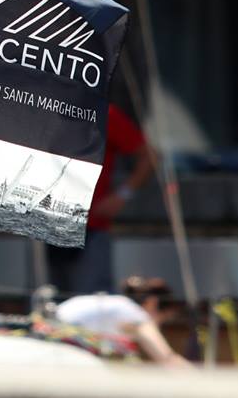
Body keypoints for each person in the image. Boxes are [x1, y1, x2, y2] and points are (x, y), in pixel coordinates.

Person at [47, 103, 152, 294]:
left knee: (92, 301)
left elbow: (149, 156)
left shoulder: (104, 112)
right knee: (51, 304)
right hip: (45, 226)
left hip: (90, 226)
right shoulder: (45, 106)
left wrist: (121, 196)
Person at [56, 276, 190, 367]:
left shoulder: (122, 305)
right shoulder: (138, 316)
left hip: (49, 331)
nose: (160, 326)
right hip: (61, 340)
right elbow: (167, 358)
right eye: (164, 318)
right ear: (152, 303)